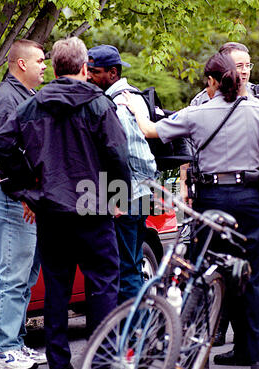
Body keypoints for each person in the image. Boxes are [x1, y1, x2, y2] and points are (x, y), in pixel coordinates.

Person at [122, 52, 259, 369]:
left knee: (204, 275)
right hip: (251, 199)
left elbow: (150, 130)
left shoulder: (197, 113)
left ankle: (197, 355)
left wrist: (137, 107)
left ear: (211, 81)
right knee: (258, 276)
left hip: (211, 199)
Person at [0, 37, 131, 369]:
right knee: (103, 282)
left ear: (55, 68)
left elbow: (2, 146)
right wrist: (119, 198)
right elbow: (117, 153)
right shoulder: (99, 105)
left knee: (57, 285)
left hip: (51, 208)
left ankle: (58, 362)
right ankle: (101, 358)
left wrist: (26, 190)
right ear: (84, 68)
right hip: (92, 205)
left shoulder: (32, 106)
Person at [190, 41, 259, 359]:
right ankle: (235, 347)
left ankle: (249, 348)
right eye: (237, 66)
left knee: (254, 272)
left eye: (247, 66)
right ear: (222, 68)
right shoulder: (203, 99)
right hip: (219, 194)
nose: (243, 72)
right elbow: (190, 149)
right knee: (222, 272)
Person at [0, 39, 46, 369]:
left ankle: (17, 344)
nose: (44, 65)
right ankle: (7, 352)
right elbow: (3, 153)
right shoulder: (7, 98)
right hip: (12, 199)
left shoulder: (24, 97)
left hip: (20, 199)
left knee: (24, 276)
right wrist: (27, 194)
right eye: (39, 60)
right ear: (21, 64)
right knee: (12, 277)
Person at [87, 45, 157, 305]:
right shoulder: (125, 97)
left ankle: (136, 334)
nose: (89, 76)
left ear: (113, 73)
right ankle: (140, 329)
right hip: (135, 192)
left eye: (95, 71)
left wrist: (131, 189)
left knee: (126, 268)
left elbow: (135, 153)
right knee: (132, 264)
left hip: (127, 195)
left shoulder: (120, 102)